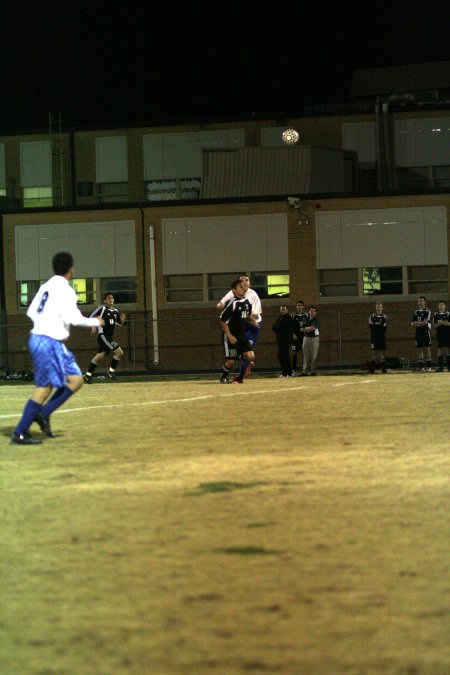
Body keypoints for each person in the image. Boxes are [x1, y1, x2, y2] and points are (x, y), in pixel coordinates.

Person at [11, 252, 104, 444]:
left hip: (46, 340)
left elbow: (31, 311)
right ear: (71, 269)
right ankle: (20, 432)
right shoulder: (66, 290)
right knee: (45, 388)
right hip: (47, 341)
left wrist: (46, 322)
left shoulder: (46, 286)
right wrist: (95, 321)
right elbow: (73, 318)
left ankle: (43, 414)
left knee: (76, 379)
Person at [217, 272, 262, 382]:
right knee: (230, 362)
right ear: (234, 291)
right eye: (240, 286)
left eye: (243, 286)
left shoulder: (246, 302)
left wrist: (253, 321)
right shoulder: (233, 304)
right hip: (231, 335)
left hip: (241, 335)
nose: (243, 287)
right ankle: (223, 376)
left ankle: (238, 356)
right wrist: (229, 336)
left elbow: (246, 315)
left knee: (251, 356)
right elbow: (223, 321)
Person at [83, 293, 127, 383]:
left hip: (108, 337)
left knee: (100, 355)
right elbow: (90, 316)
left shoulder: (115, 311)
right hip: (103, 336)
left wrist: (123, 321)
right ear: (105, 301)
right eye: (108, 298)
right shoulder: (102, 309)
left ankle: (87, 375)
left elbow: (119, 323)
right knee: (119, 352)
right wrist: (93, 326)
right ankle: (110, 372)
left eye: (112, 298)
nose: (111, 300)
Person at [272, 305, 295, 377]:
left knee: (285, 356)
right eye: (281, 309)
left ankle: (289, 372)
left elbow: (282, 328)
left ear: (287, 310)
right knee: (280, 356)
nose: (282, 311)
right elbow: (274, 327)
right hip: (280, 341)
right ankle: (284, 372)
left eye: (284, 309)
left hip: (286, 341)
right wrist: (279, 327)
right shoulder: (279, 318)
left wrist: (278, 327)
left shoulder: (289, 319)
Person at [411, 296, 432, 371]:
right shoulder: (416, 312)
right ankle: (421, 367)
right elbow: (412, 323)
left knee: (427, 349)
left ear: (425, 302)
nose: (420, 302)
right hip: (418, 333)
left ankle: (429, 367)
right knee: (419, 349)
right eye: (419, 301)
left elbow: (426, 322)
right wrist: (420, 323)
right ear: (417, 302)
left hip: (425, 332)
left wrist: (417, 323)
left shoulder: (427, 311)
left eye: (422, 301)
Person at [368, 302, 388, 373]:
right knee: (374, 352)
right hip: (374, 336)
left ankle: (383, 368)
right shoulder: (372, 316)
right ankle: (372, 368)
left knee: (383, 352)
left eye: (380, 307)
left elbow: (384, 328)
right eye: (377, 307)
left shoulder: (384, 316)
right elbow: (371, 326)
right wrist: (379, 325)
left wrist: (376, 325)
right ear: (375, 308)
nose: (378, 308)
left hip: (382, 336)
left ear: (382, 308)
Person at [290, 300, 308, 375]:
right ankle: (293, 370)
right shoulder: (293, 315)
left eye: (301, 305)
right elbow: (290, 326)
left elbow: (308, 325)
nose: (299, 307)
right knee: (294, 353)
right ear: (296, 306)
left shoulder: (306, 315)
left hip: (303, 337)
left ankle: (305, 370)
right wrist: (293, 334)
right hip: (295, 337)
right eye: (298, 305)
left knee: (305, 353)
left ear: (303, 307)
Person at [301, 306, 320, 376]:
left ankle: (313, 371)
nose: (312, 312)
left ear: (315, 313)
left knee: (314, 355)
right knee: (306, 355)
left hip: (314, 339)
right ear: (308, 312)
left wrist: (306, 328)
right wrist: (308, 328)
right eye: (311, 311)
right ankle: (304, 371)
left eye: (313, 311)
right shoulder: (305, 319)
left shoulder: (316, 320)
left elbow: (313, 328)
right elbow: (301, 329)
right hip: (306, 338)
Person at [433, 300, 450, 372]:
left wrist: (440, 322)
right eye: (439, 305)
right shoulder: (436, 314)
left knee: (447, 350)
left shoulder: (448, 314)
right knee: (440, 350)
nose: (441, 306)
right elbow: (435, 325)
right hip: (439, 334)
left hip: (447, 334)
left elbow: (449, 324)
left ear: (445, 306)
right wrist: (444, 322)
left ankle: (449, 367)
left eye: (442, 305)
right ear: (438, 306)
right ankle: (440, 367)